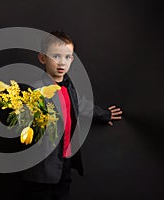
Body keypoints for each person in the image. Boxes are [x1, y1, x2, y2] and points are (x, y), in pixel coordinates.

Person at [16, 31, 123, 200]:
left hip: (65, 162)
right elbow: (23, 122)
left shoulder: (69, 88)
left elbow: (83, 105)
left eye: (67, 57)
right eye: (56, 56)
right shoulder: (35, 90)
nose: (62, 62)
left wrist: (105, 115)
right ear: (42, 58)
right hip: (42, 167)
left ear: (72, 60)